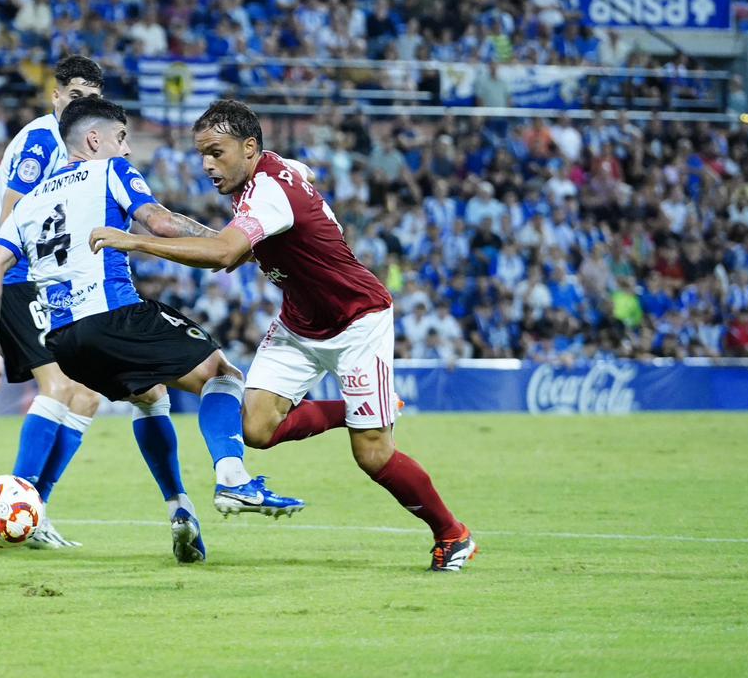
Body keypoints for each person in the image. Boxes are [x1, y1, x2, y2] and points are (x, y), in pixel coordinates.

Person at [90, 99, 477, 572]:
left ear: (250, 147)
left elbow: (224, 256)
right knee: (254, 428)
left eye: (217, 152)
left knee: (372, 455)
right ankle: (355, 413)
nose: (208, 165)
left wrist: (135, 240)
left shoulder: (268, 192)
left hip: (358, 321)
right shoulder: (267, 172)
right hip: (299, 322)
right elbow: (301, 171)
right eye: (202, 155)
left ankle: (451, 533)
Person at [0, 97, 302, 565]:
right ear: (94, 141)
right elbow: (162, 223)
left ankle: (180, 509)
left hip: (66, 343)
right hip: (115, 316)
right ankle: (234, 479)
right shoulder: (109, 172)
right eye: (121, 138)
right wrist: (235, 242)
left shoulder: (29, 202)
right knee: (222, 375)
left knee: (151, 397)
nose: (126, 150)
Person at [0, 55, 105, 549]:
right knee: (58, 384)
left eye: (90, 99)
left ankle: (37, 507)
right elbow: (14, 211)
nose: (81, 106)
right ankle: (17, 508)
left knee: (88, 393)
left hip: (57, 282)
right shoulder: (42, 139)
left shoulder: (83, 148)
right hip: (23, 277)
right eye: (74, 96)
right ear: (56, 97)